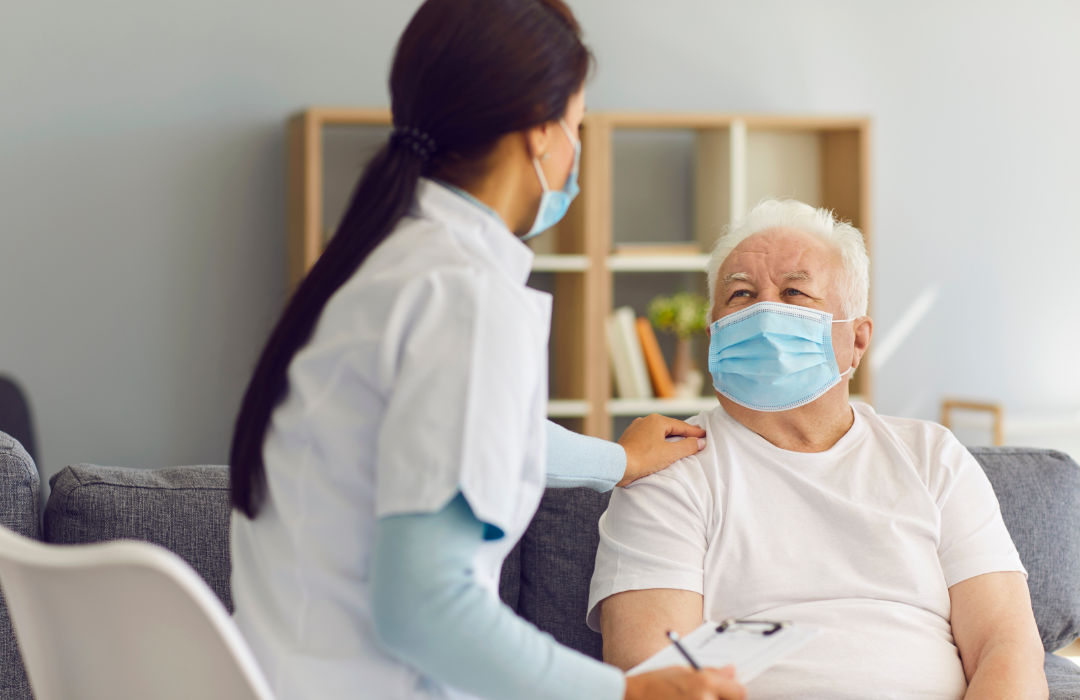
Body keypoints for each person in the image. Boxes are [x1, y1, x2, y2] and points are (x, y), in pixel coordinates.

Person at [227, 1, 745, 699]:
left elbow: (464, 433)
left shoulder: (380, 267)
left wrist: (618, 461)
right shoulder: (466, 298)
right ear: (541, 134)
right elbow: (426, 610)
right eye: (579, 126)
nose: (577, 150)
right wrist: (625, 693)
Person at [588, 199, 1048, 699]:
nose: (765, 311)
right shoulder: (667, 468)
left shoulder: (933, 456)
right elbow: (654, 678)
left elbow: (1008, 648)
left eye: (794, 291)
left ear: (857, 341)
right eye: (740, 294)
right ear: (713, 334)